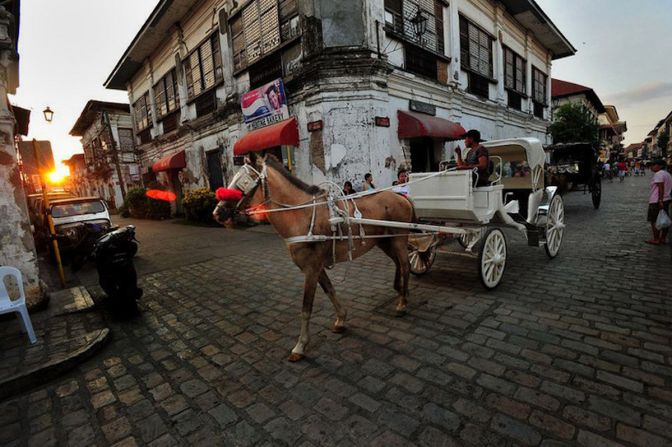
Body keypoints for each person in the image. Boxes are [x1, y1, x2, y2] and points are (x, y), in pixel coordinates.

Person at [646, 159, 672, 245]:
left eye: (654, 165)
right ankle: (663, 238)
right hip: (666, 199)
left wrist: (660, 200)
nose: (652, 167)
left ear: (660, 166)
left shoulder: (659, 174)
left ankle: (656, 239)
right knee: (664, 219)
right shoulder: (667, 174)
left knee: (653, 220)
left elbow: (661, 187)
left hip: (656, 200)